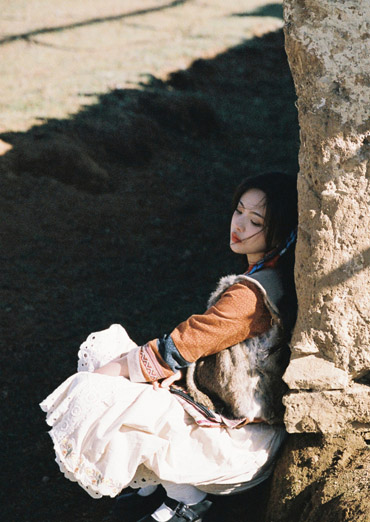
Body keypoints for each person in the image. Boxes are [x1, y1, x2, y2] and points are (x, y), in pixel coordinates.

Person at [41, 172, 298, 522]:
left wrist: (101, 381)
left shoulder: (252, 296)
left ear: (282, 231)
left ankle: (188, 501)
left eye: (255, 221)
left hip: (242, 441)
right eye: (239, 211)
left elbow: (177, 348)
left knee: (103, 391)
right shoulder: (265, 276)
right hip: (221, 410)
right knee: (109, 352)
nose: (239, 225)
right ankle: (150, 486)